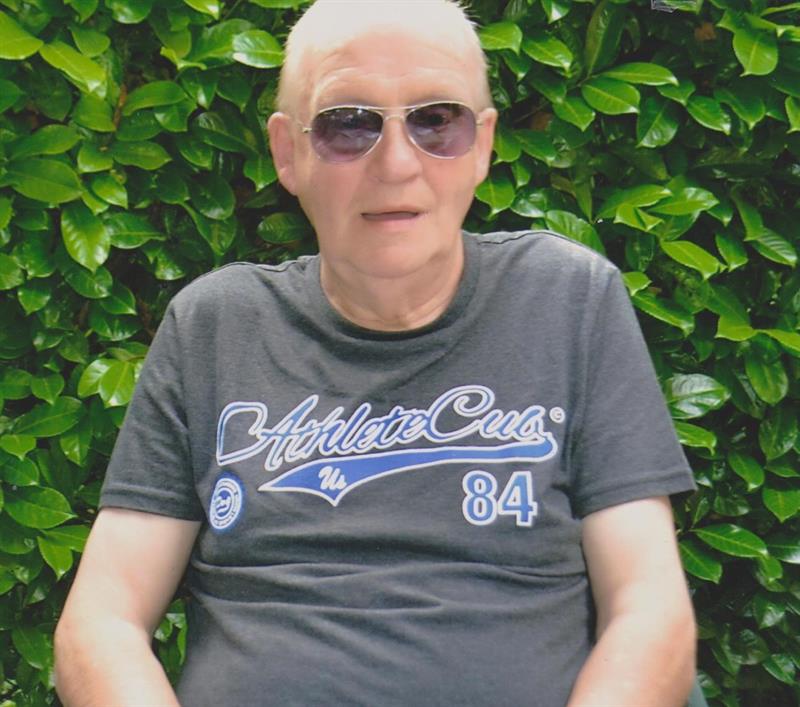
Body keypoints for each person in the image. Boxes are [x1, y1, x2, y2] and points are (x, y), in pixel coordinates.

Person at [54, 1, 698, 705]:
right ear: (287, 152)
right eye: (348, 124)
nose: (396, 163)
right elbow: (103, 620)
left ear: (483, 145)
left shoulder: (568, 301)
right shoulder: (214, 326)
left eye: (436, 121)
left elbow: (650, 608)